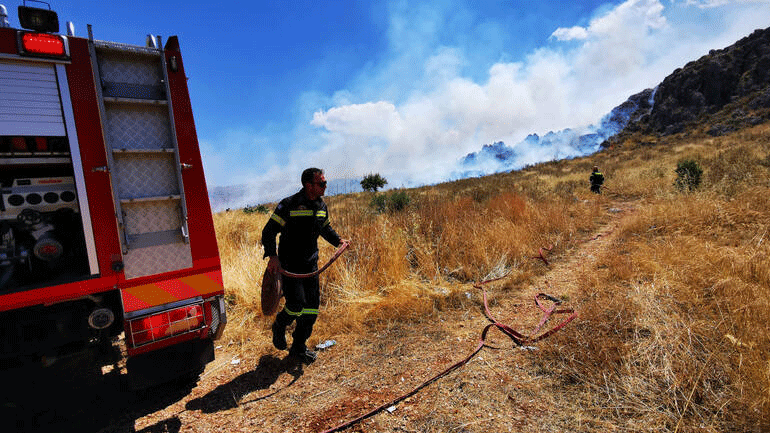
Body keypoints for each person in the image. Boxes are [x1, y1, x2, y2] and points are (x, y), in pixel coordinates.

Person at [261, 168, 349, 364]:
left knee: (311, 308)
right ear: (309, 185)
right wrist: (272, 256)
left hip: (311, 265)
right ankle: (279, 325)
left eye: (325, 183)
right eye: (322, 183)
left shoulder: (321, 205)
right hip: (289, 265)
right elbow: (268, 231)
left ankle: (299, 346)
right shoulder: (289, 204)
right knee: (295, 304)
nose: (326, 186)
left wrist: (339, 241)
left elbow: (325, 228)